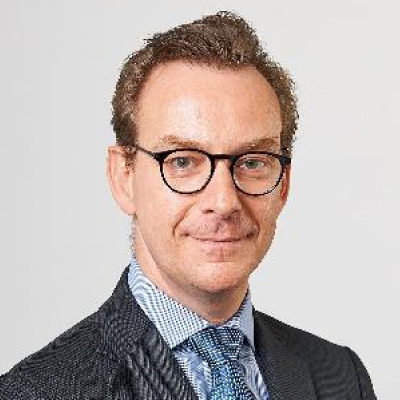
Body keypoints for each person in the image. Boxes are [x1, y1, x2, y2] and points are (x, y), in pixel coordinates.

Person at [0, 11, 376, 400]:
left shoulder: (341, 377)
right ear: (123, 177)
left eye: (252, 163)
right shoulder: (35, 392)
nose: (224, 202)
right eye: (182, 161)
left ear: (284, 185)